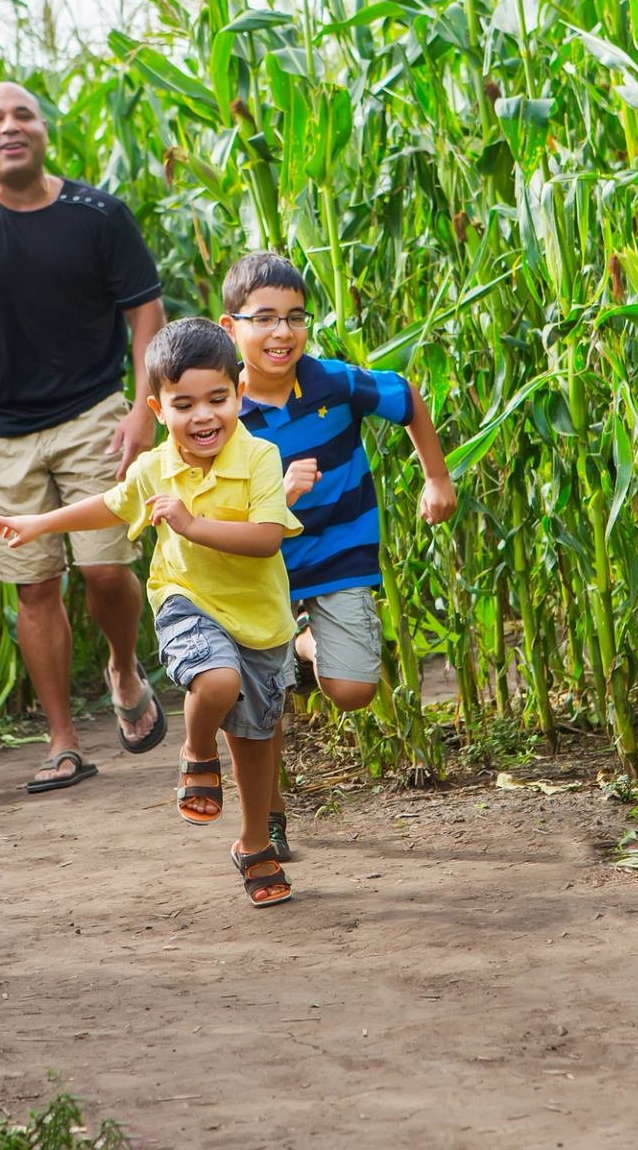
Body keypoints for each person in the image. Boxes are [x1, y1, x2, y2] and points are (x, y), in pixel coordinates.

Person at [0, 81, 167, 793]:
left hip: (94, 416)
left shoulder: (98, 215)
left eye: (24, 115)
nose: (10, 127)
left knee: (108, 569)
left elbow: (147, 315)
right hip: (2, 431)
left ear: (45, 131)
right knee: (34, 586)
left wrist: (144, 408)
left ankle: (121, 666)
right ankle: (62, 741)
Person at [0, 319, 303, 907]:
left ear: (240, 393)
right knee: (217, 679)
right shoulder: (153, 467)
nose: (203, 416)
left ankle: (254, 843)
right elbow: (110, 504)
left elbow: (266, 540)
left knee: (257, 745)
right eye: (184, 404)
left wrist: (189, 523)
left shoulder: (260, 457)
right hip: (187, 601)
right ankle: (197, 749)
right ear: (157, 408)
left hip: (261, 620)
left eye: (218, 399)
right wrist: (39, 523)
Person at [219, 252, 456, 858]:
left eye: (296, 318)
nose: (282, 333)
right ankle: (269, 819)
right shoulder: (221, 413)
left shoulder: (334, 382)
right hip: (260, 572)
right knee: (261, 708)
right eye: (264, 318)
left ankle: (304, 640)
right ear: (230, 328)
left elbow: (405, 396)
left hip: (339, 553)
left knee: (351, 690)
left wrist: (437, 478)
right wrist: (274, 494)